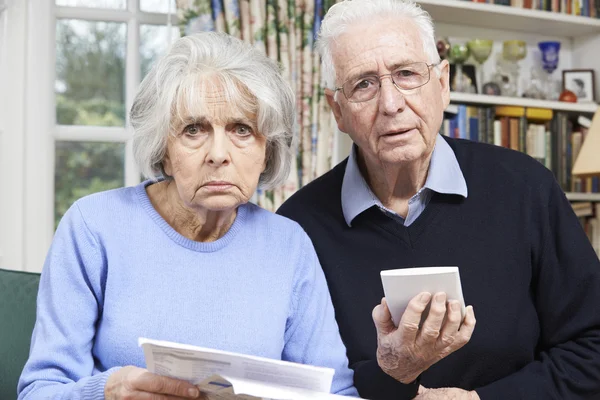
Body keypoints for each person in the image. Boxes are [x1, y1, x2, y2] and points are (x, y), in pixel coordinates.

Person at [277, 1, 600, 399]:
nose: (391, 104)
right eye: (364, 84)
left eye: (407, 74)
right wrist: (393, 373)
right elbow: (298, 386)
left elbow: (592, 348)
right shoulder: (297, 227)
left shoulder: (526, 188)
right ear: (337, 111)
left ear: (443, 84)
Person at [17, 32, 357, 400]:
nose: (218, 154)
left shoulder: (289, 245)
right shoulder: (92, 226)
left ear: (267, 151)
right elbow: (39, 391)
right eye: (194, 130)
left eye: (242, 130)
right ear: (163, 148)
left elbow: (336, 392)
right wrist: (106, 393)